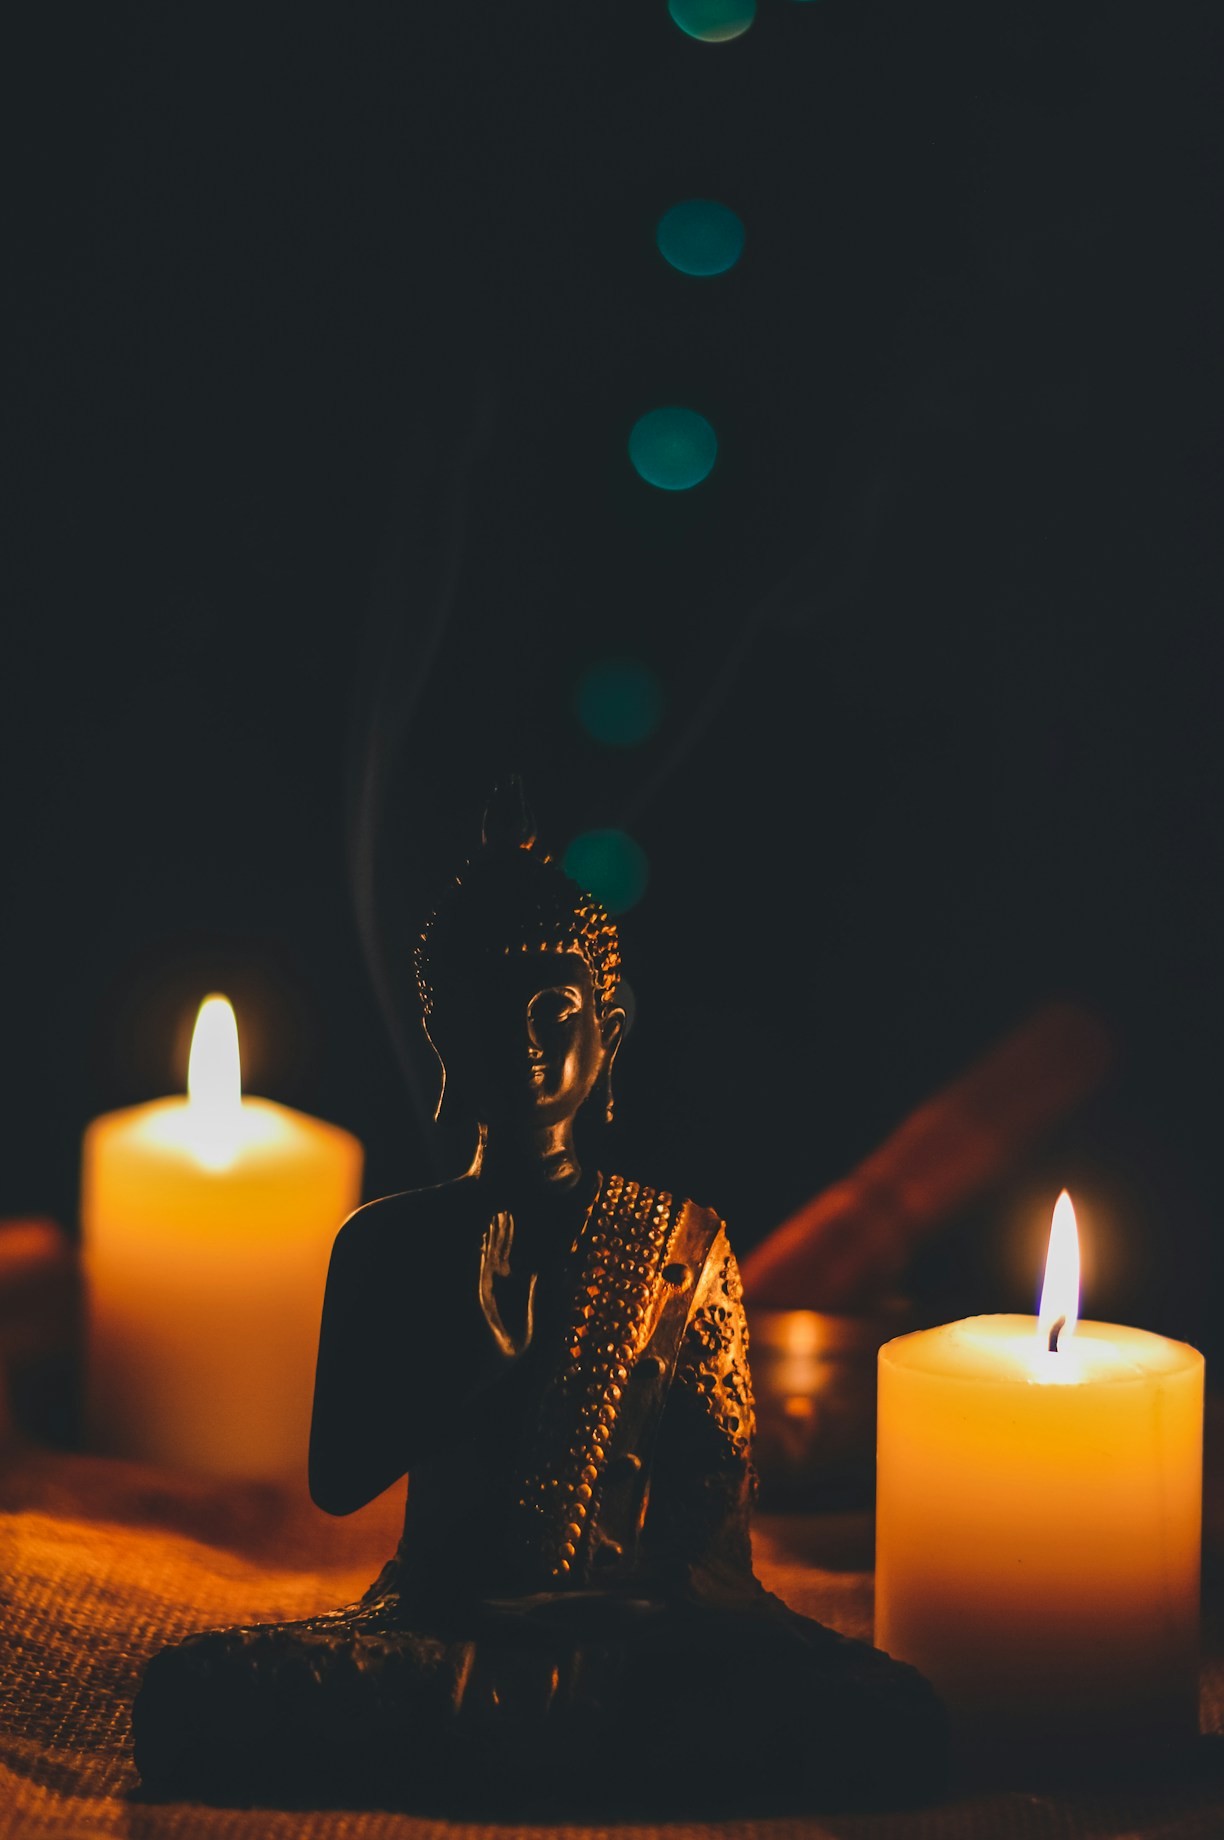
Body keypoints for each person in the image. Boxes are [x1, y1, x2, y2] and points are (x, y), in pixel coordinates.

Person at [133, 786, 945, 1813]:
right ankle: (590, 1752)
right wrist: (473, 1363)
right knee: (191, 1696)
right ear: (440, 1033)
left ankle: (534, 1741)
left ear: (611, 1031)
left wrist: (627, 1614)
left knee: (888, 1713)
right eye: (487, 1012)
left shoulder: (682, 1243)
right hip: (441, 1629)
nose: (524, 1039)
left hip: (638, 1644)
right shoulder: (387, 1239)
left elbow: (712, 1530)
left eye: (556, 1010)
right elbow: (337, 1482)